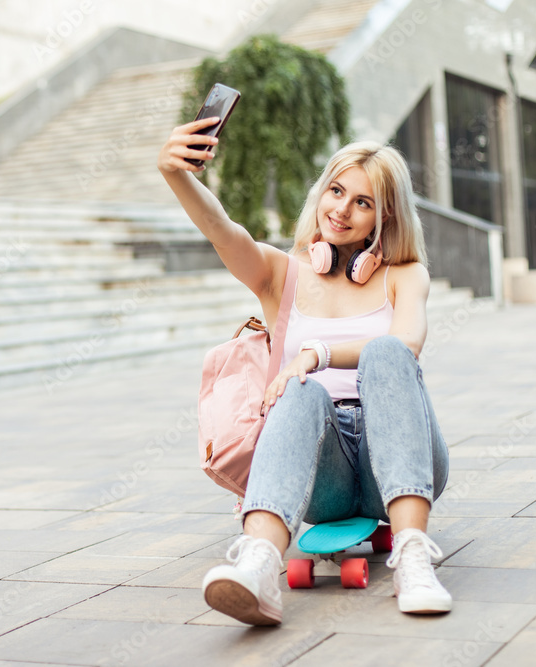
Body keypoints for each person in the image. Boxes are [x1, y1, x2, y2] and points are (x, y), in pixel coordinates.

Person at [157, 116, 450, 626]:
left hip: (402, 453)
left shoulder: (405, 275)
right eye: (336, 191)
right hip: (324, 469)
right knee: (299, 390)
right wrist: (177, 174)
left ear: (386, 216)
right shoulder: (281, 274)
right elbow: (222, 231)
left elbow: (407, 343)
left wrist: (316, 352)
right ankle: (258, 568)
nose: (341, 209)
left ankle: (414, 559)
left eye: (363, 202)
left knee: (385, 354)